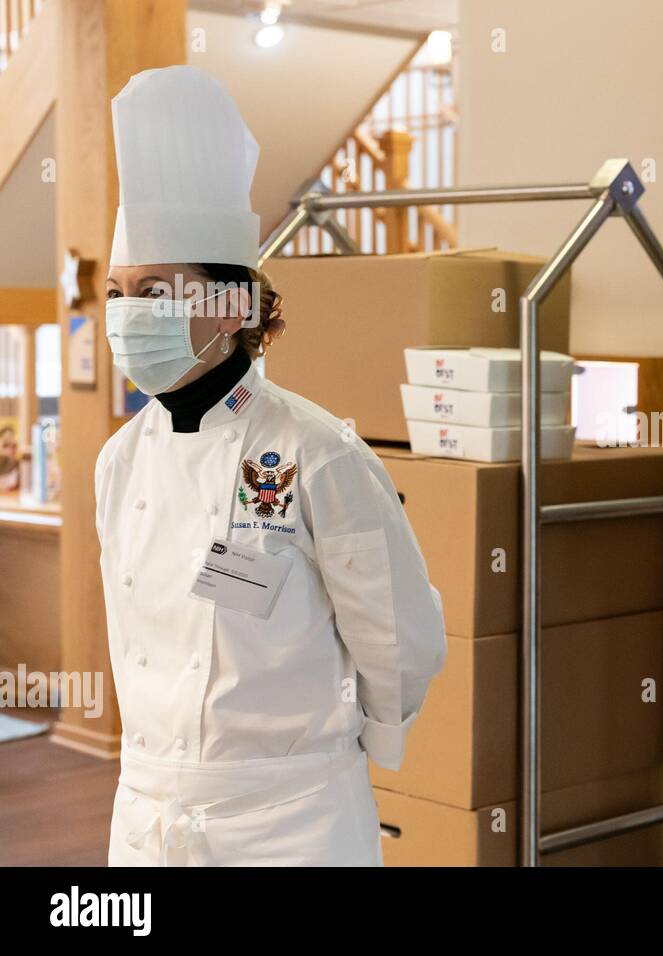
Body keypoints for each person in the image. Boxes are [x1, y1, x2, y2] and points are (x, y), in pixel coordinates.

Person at [94, 65, 446, 866]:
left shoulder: (318, 452)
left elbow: (398, 634)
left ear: (227, 305)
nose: (123, 315)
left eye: (151, 289)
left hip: (291, 824)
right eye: (115, 292)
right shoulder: (118, 462)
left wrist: (364, 750)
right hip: (149, 816)